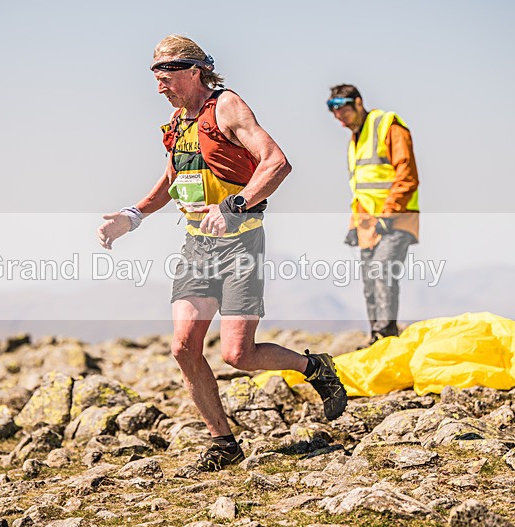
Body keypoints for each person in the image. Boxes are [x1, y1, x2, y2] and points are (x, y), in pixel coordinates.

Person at [97, 35, 348, 471]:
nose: (159, 84)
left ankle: (315, 368)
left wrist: (234, 206)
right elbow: (173, 180)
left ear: (196, 71)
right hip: (197, 247)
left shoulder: (227, 107)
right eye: (155, 75)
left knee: (238, 355)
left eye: (167, 74)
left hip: (241, 246)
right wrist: (132, 216)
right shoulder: (178, 121)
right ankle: (223, 444)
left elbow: (276, 162)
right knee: (183, 347)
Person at [327, 84, 420, 346]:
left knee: (382, 272)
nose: (340, 118)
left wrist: (388, 214)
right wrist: (354, 224)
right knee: (369, 282)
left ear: (358, 103)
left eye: (343, 111)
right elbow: (361, 190)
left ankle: (386, 336)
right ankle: (376, 339)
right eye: (335, 113)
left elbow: (407, 175)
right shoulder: (355, 140)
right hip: (368, 224)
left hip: (397, 218)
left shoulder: (387, 126)